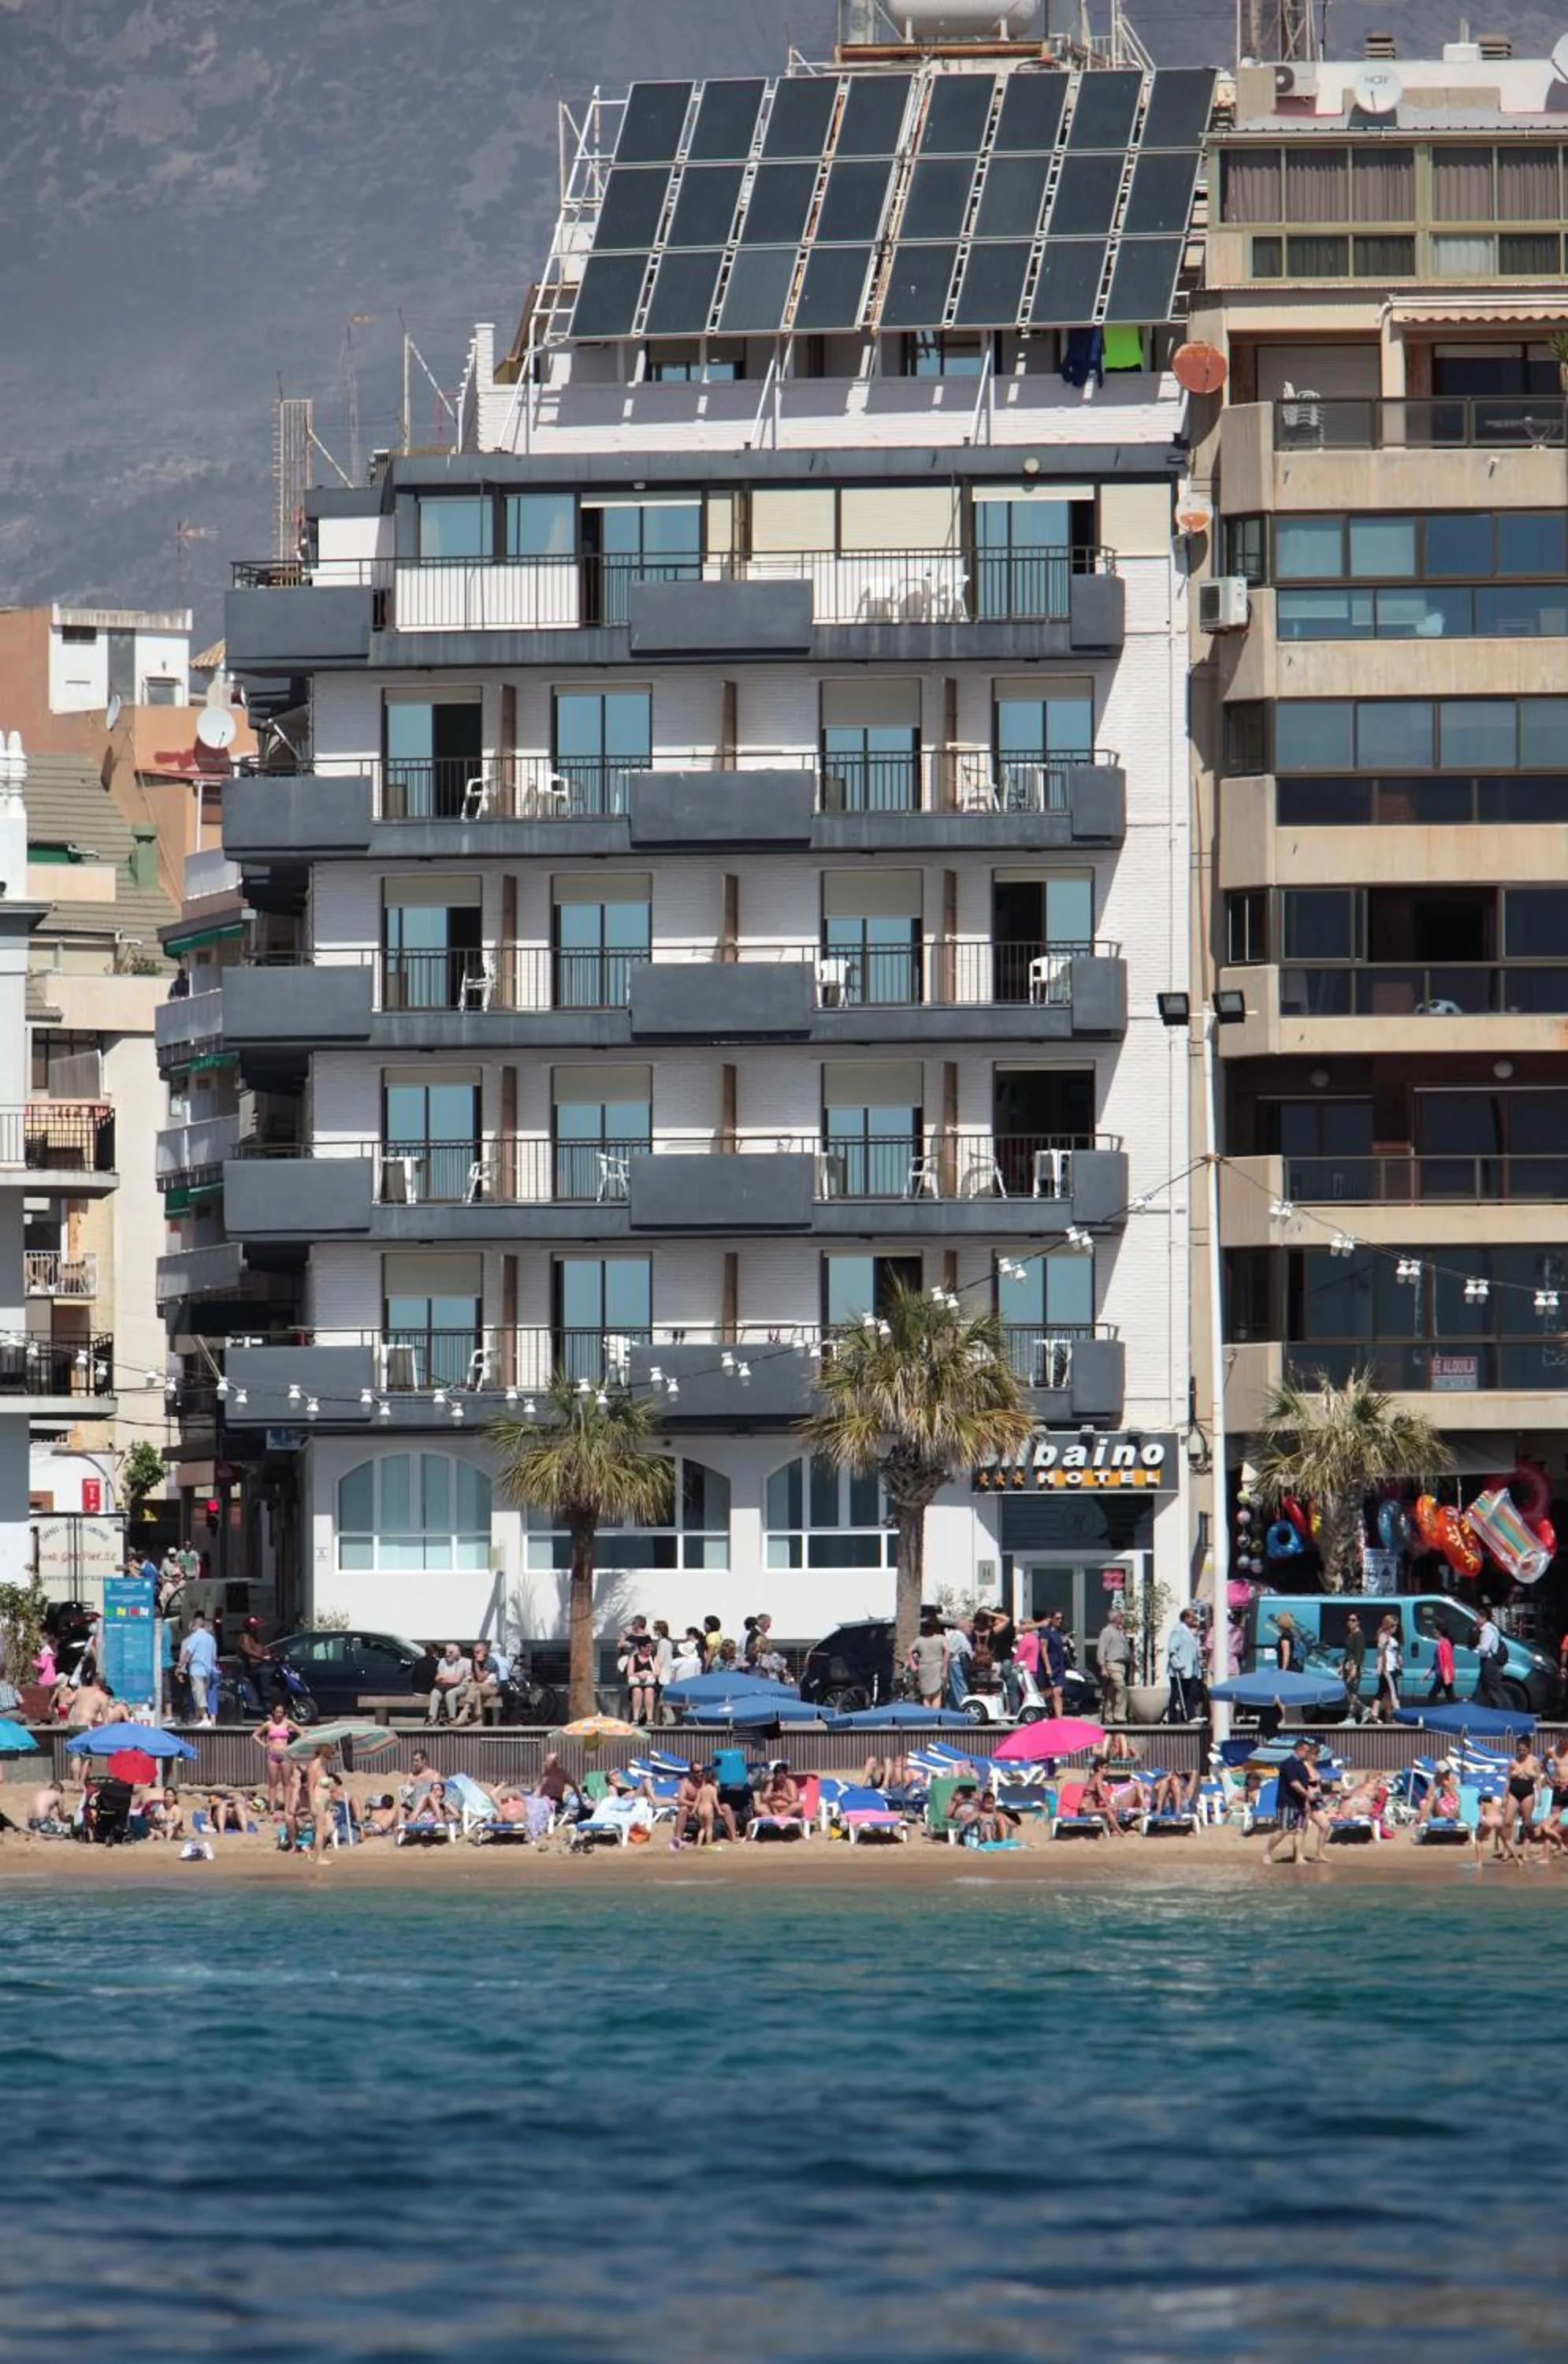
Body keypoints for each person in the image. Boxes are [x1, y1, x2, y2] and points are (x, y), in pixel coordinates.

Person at [1265, 1737, 1326, 1865]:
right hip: (1287, 1801)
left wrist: (1306, 1803)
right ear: (1299, 1750)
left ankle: (1299, 1858)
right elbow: (1294, 1783)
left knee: (1300, 1829)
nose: (1308, 1754)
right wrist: (1308, 1796)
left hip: (1300, 1802)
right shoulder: (1289, 1763)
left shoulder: (1301, 1766)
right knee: (1284, 1830)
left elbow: (1304, 1784)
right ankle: (1267, 1853)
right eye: (1307, 1751)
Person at [254, 1702, 301, 1815]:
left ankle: (287, 1808)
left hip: (285, 1754)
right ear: (273, 1712)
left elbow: (301, 1732)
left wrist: (293, 1746)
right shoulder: (268, 1724)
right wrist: (264, 1745)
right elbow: (255, 1735)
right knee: (272, 1783)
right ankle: (272, 1807)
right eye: (278, 1712)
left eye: (282, 1712)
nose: (280, 1714)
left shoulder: (287, 1723)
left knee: (286, 1782)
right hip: (272, 1754)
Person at [176, 1614, 219, 1727]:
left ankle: (205, 1718)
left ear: (196, 1626)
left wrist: (180, 1667)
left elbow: (188, 1653)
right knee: (204, 1693)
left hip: (196, 1669)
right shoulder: (211, 1638)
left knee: (198, 1693)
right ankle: (204, 1718)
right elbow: (214, 1657)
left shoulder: (195, 1637)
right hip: (208, 1670)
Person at [1503, 1738, 1542, 1856]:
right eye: (1519, 1750)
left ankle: (1525, 1852)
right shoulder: (1513, 1762)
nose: (1521, 1752)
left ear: (1529, 1749)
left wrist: (1539, 1795)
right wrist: (1504, 1795)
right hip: (1513, 1792)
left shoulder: (1534, 1761)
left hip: (1528, 1793)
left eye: (1523, 1750)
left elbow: (1539, 1779)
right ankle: (1507, 1849)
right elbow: (1508, 1779)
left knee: (1527, 1823)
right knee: (1508, 1822)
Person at [1165, 1608, 1206, 1723]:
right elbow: (1172, 1648)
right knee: (1176, 1694)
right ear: (1186, 1618)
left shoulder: (1188, 1631)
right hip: (1180, 1669)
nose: (1194, 1620)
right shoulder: (1179, 1630)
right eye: (1192, 1618)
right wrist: (1177, 1664)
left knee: (1188, 1693)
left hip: (1189, 1669)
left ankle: (1190, 1716)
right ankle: (1172, 1719)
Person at [1096, 1606, 1131, 1726]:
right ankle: (1119, 1716)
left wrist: (1132, 1660)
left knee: (1112, 1692)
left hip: (1122, 1665)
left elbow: (1125, 1649)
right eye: (1121, 1616)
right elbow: (1101, 1650)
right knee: (1122, 1687)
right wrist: (1103, 1666)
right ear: (1115, 1618)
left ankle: (1109, 1717)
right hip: (1112, 1664)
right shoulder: (1107, 1632)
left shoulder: (1120, 1632)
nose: (1123, 1619)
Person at [908, 1615, 949, 1711]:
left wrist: (913, 1665)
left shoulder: (919, 1640)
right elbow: (947, 1651)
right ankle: (934, 1716)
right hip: (936, 1667)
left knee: (926, 1696)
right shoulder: (941, 1638)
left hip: (924, 1667)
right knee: (936, 1694)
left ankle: (927, 1716)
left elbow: (909, 1651)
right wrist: (944, 1667)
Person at [622, 1626, 660, 1727]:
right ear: (641, 1648)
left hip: (649, 1683)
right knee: (637, 1691)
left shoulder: (653, 1657)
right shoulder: (633, 1658)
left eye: (651, 1647)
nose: (649, 1649)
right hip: (636, 1683)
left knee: (649, 1691)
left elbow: (657, 1672)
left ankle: (649, 1719)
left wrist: (648, 1673)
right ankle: (635, 1718)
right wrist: (638, 1674)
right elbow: (629, 1673)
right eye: (647, 1647)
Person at [426, 1642, 470, 1724]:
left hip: (461, 1686)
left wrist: (444, 1678)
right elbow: (437, 1678)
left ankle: (452, 1718)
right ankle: (432, 1718)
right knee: (435, 1693)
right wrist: (447, 1678)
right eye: (446, 1652)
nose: (447, 1654)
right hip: (445, 1686)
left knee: (450, 1694)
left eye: (450, 1652)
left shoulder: (462, 1662)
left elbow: (457, 1680)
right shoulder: (442, 1661)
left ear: (458, 1653)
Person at [307, 1745, 339, 1860]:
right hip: (318, 1801)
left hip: (325, 1802)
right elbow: (310, 1787)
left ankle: (317, 1853)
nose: (329, 1759)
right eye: (329, 1756)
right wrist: (312, 1805)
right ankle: (319, 1857)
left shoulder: (321, 1767)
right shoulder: (314, 1765)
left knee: (328, 1828)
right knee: (320, 1830)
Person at [459, 1640, 501, 1725]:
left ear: (485, 1651)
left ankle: (465, 1711)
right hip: (480, 1688)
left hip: (492, 1688)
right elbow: (475, 1680)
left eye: (478, 1652)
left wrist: (476, 1664)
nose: (475, 1654)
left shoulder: (490, 1661)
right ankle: (479, 1721)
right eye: (474, 1652)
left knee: (475, 1687)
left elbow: (480, 1678)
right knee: (477, 1692)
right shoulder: (475, 1662)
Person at [1474, 1607, 1509, 1709]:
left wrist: (1475, 1649)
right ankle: (1482, 1709)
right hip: (1490, 1663)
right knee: (1485, 1688)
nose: (1476, 1620)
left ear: (1484, 1618)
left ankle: (1507, 1710)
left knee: (1494, 1689)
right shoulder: (1493, 1629)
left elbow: (1485, 1648)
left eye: (1478, 1618)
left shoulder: (1487, 1631)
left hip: (1490, 1664)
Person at [1373, 1614, 1402, 1722]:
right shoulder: (1383, 1637)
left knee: (1382, 1692)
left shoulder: (1391, 1638)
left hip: (1393, 1668)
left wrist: (1399, 1662)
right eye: (1394, 1626)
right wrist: (1380, 1668)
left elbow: (1393, 1652)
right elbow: (1380, 1654)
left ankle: (1374, 1714)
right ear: (1388, 1625)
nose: (1396, 1628)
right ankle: (1399, 1715)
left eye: (1397, 1626)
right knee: (1394, 1693)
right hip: (1388, 1670)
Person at [1339, 1613, 1367, 1721]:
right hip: (1347, 1666)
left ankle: (1351, 1716)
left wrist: (1355, 1668)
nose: (1351, 1622)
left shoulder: (1359, 1635)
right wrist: (1342, 1665)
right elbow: (1348, 1652)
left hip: (1354, 1667)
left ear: (1358, 1622)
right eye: (1349, 1620)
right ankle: (1362, 1710)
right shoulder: (1351, 1635)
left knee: (1352, 1692)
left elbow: (1359, 1653)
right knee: (1348, 1692)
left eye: (1354, 1620)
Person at [1040, 1610, 1067, 1718]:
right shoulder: (1045, 1632)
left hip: (1059, 1664)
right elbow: (1043, 1650)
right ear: (1051, 1619)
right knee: (1053, 1691)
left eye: (1061, 1618)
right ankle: (1041, 1699)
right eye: (1057, 1618)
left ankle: (1059, 1718)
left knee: (1058, 1691)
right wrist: (1048, 1667)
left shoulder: (1059, 1632)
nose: (1059, 1621)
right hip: (1050, 1664)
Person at [1429, 1619, 1457, 1707]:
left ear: (1440, 1632)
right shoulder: (1443, 1642)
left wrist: (1446, 1675)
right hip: (1442, 1673)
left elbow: (1447, 1660)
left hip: (1442, 1674)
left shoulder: (1444, 1643)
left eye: (1435, 1629)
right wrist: (1429, 1671)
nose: (1433, 1631)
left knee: (1432, 1695)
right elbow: (1439, 1660)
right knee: (1450, 1697)